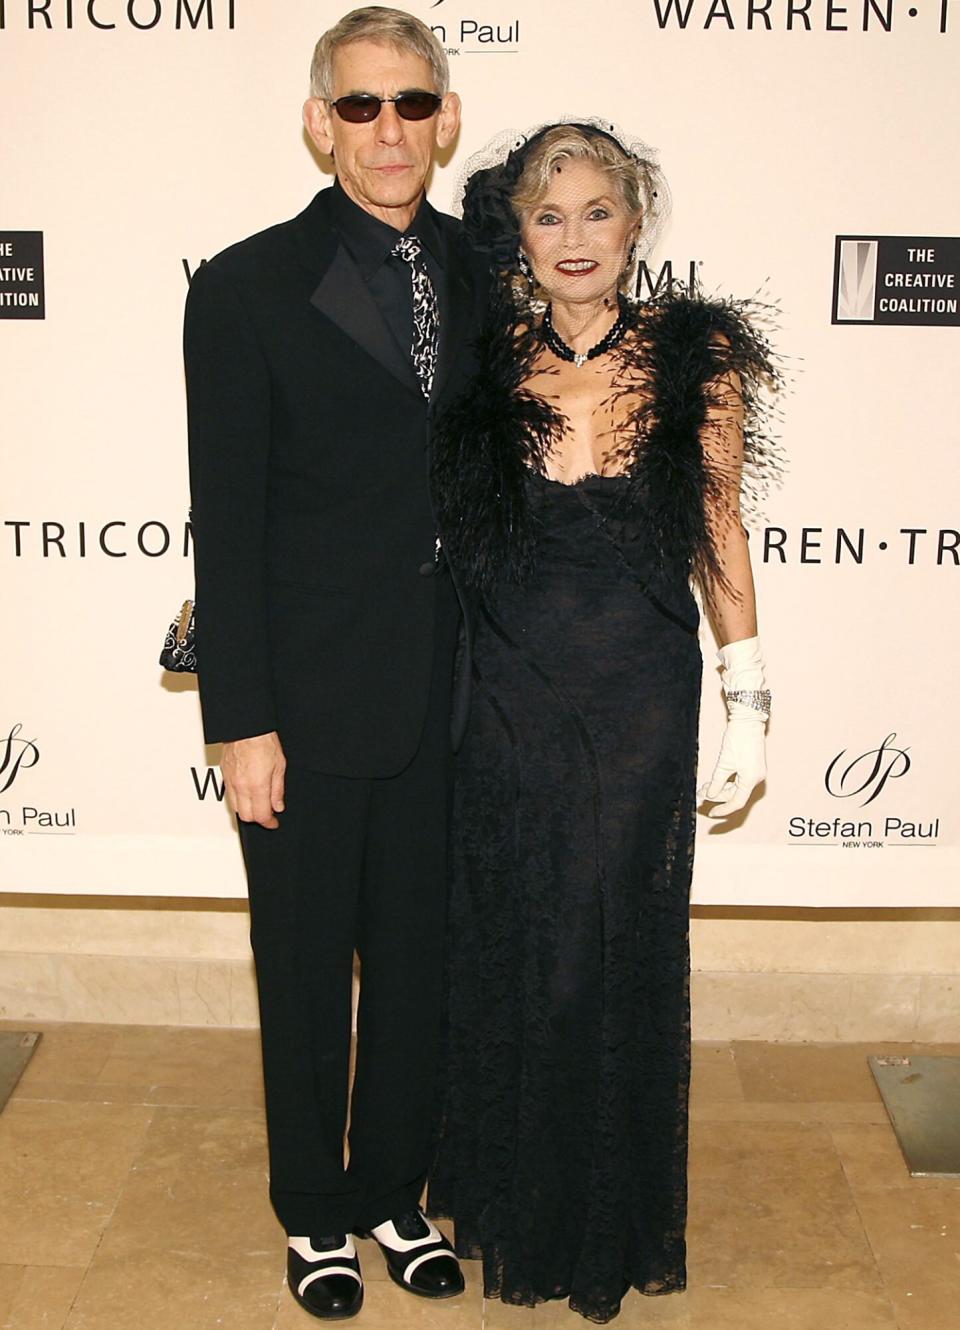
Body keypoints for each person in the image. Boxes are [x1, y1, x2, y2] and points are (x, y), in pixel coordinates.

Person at [427, 121, 782, 1323]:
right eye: (547, 214)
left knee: (605, 944)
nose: (573, 237)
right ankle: (514, 1201)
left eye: (596, 212)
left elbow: (718, 528)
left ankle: (599, 1222)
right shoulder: (484, 359)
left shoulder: (697, 355)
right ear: (517, 234)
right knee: (515, 934)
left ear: (637, 224)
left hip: (636, 692)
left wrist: (751, 699)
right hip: (507, 691)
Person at [183, 7, 490, 1320]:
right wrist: (240, 719)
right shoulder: (244, 287)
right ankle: (314, 1207)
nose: (389, 131)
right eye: (361, 106)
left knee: (423, 960)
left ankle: (390, 1188)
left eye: (412, 104)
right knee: (305, 963)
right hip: (305, 699)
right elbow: (229, 516)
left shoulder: (496, 271)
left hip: (458, 690)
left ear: (445, 120)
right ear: (319, 123)